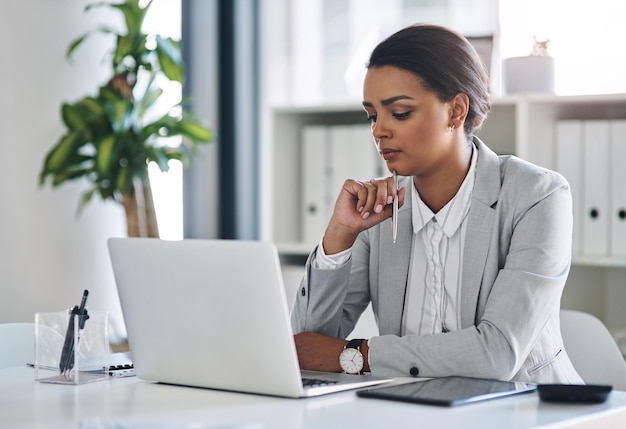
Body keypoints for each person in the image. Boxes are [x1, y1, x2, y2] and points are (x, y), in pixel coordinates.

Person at [290, 23, 583, 385]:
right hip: (413, 411)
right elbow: (305, 348)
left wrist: (356, 355)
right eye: (372, 115)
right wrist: (339, 238)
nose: (379, 130)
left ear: (456, 111)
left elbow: (497, 354)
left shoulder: (537, 196)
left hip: (527, 412)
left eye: (399, 113)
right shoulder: (381, 211)